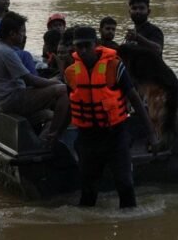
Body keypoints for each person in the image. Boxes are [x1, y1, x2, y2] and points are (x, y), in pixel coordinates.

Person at [64, 26, 157, 208]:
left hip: (115, 135)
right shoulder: (71, 73)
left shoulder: (115, 66)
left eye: (87, 46)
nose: (83, 50)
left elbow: (135, 100)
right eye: (79, 46)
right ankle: (89, 230)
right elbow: (71, 106)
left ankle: (128, 228)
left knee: (125, 185)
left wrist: (152, 134)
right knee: (88, 191)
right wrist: (54, 133)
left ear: (96, 45)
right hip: (88, 137)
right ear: (74, 48)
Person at [0, 12, 69, 145]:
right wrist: (54, 82)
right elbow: (31, 80)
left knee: (51, 115)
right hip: (12, 101)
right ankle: (50, 138)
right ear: (12, 34)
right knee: (63, 90)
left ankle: (40, 142)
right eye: (22, 32)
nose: (24, 35)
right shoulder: (6, 52)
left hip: (1, 102)